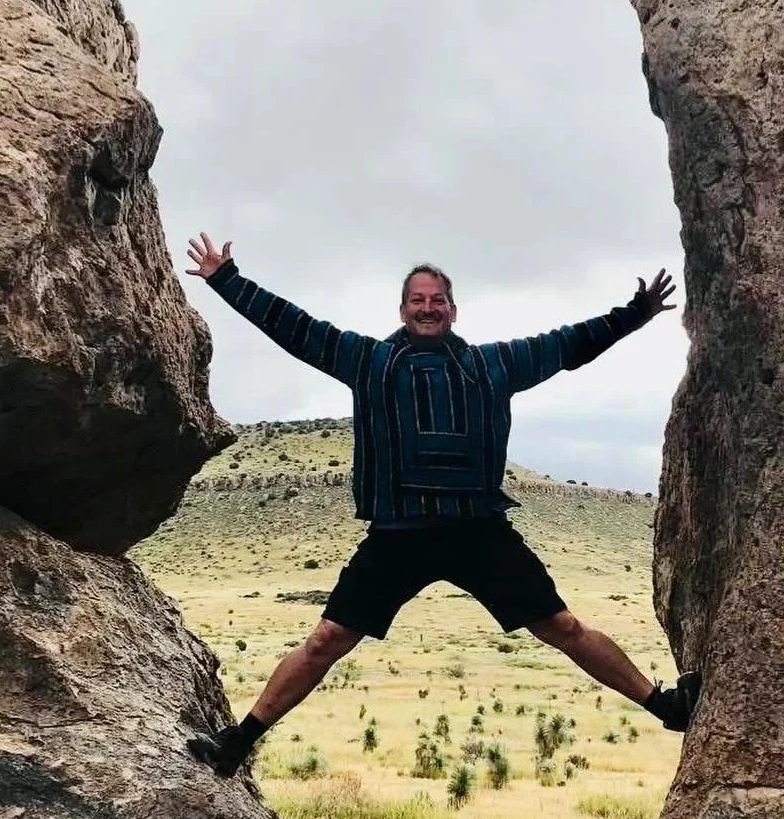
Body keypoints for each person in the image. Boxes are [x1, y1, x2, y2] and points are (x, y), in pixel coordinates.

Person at [184, 235, 701, 776]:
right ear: (402, 309)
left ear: (453, 310)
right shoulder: (367, 361)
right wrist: (227, 280)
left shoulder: (494, 364)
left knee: (562, 627)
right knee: (325, 641)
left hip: (477, 531)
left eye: (437, 301)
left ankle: (665, 706)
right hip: (397, 536)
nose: (427, 308)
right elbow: (296, 329)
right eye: (418, 300)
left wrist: (635, 314)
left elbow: (567, 345)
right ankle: (236, 745)